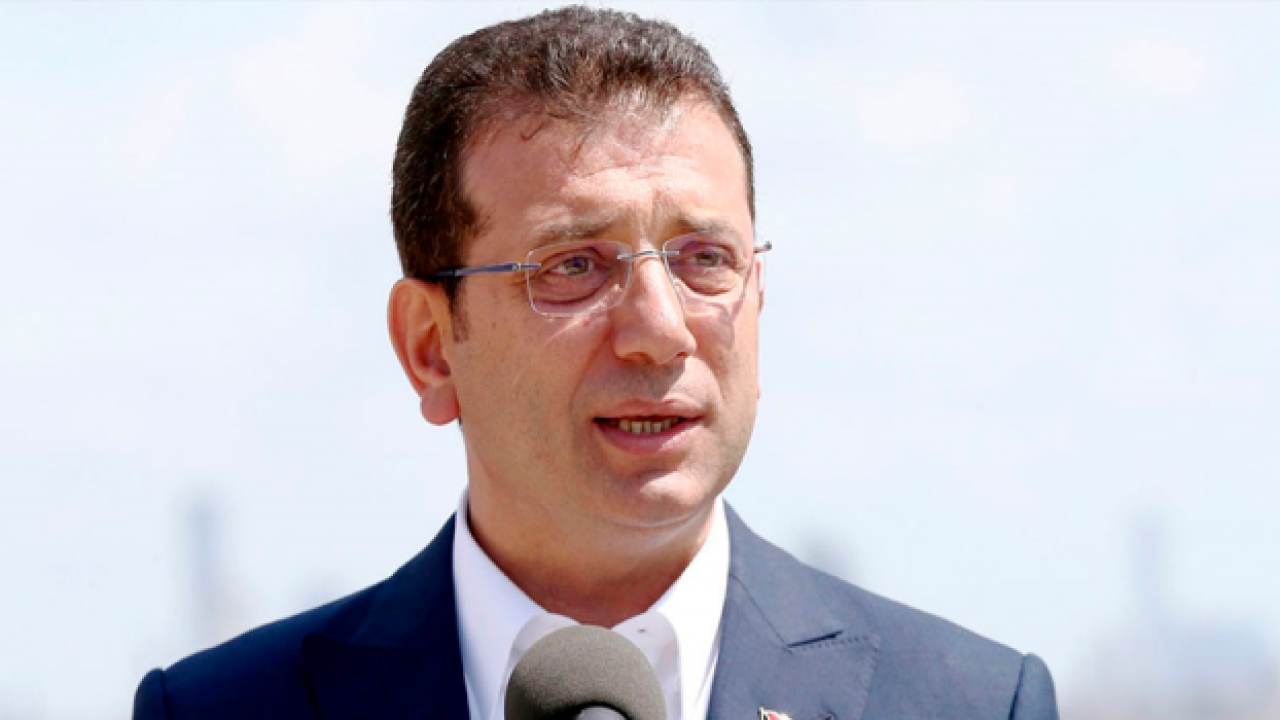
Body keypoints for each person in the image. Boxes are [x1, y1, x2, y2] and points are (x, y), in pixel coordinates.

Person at [133, 7, 1058, 719]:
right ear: (430, 346)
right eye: (573, 266)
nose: (661, 329)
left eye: (705, 259)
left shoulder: (971, 704)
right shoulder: (221, 710)